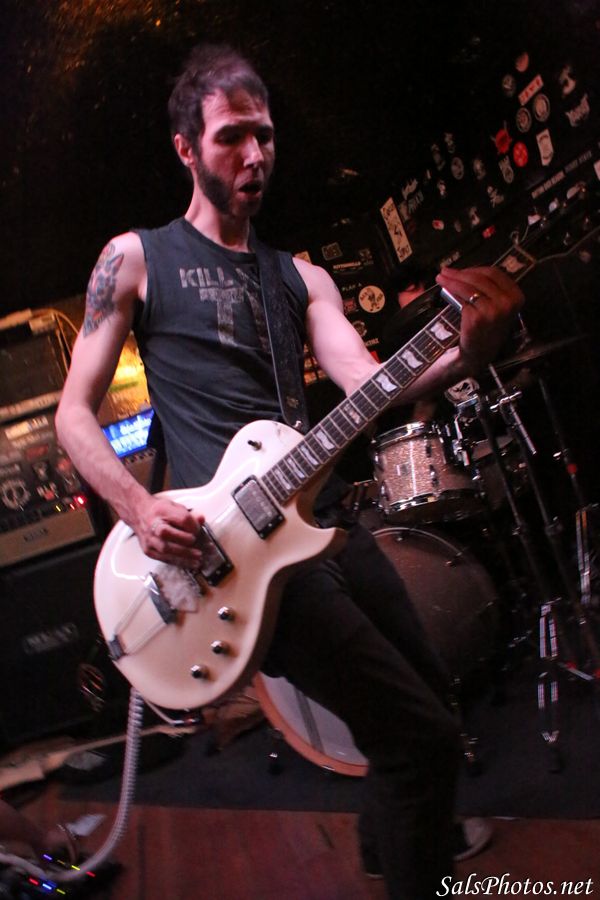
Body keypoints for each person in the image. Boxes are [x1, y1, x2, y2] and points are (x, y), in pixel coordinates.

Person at [55, 43, 523, 899]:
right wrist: (137, 508)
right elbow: (73, 415)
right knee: (417, 737)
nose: (255, 154)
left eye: (265, 136)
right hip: (233, 554)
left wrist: (466, 354)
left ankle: (387, 845)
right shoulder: (137, 258)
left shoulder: (301, 277)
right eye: (232, 137)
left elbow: (370, 380)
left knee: (431, 698)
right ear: (186, 148)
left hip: (327, 525)